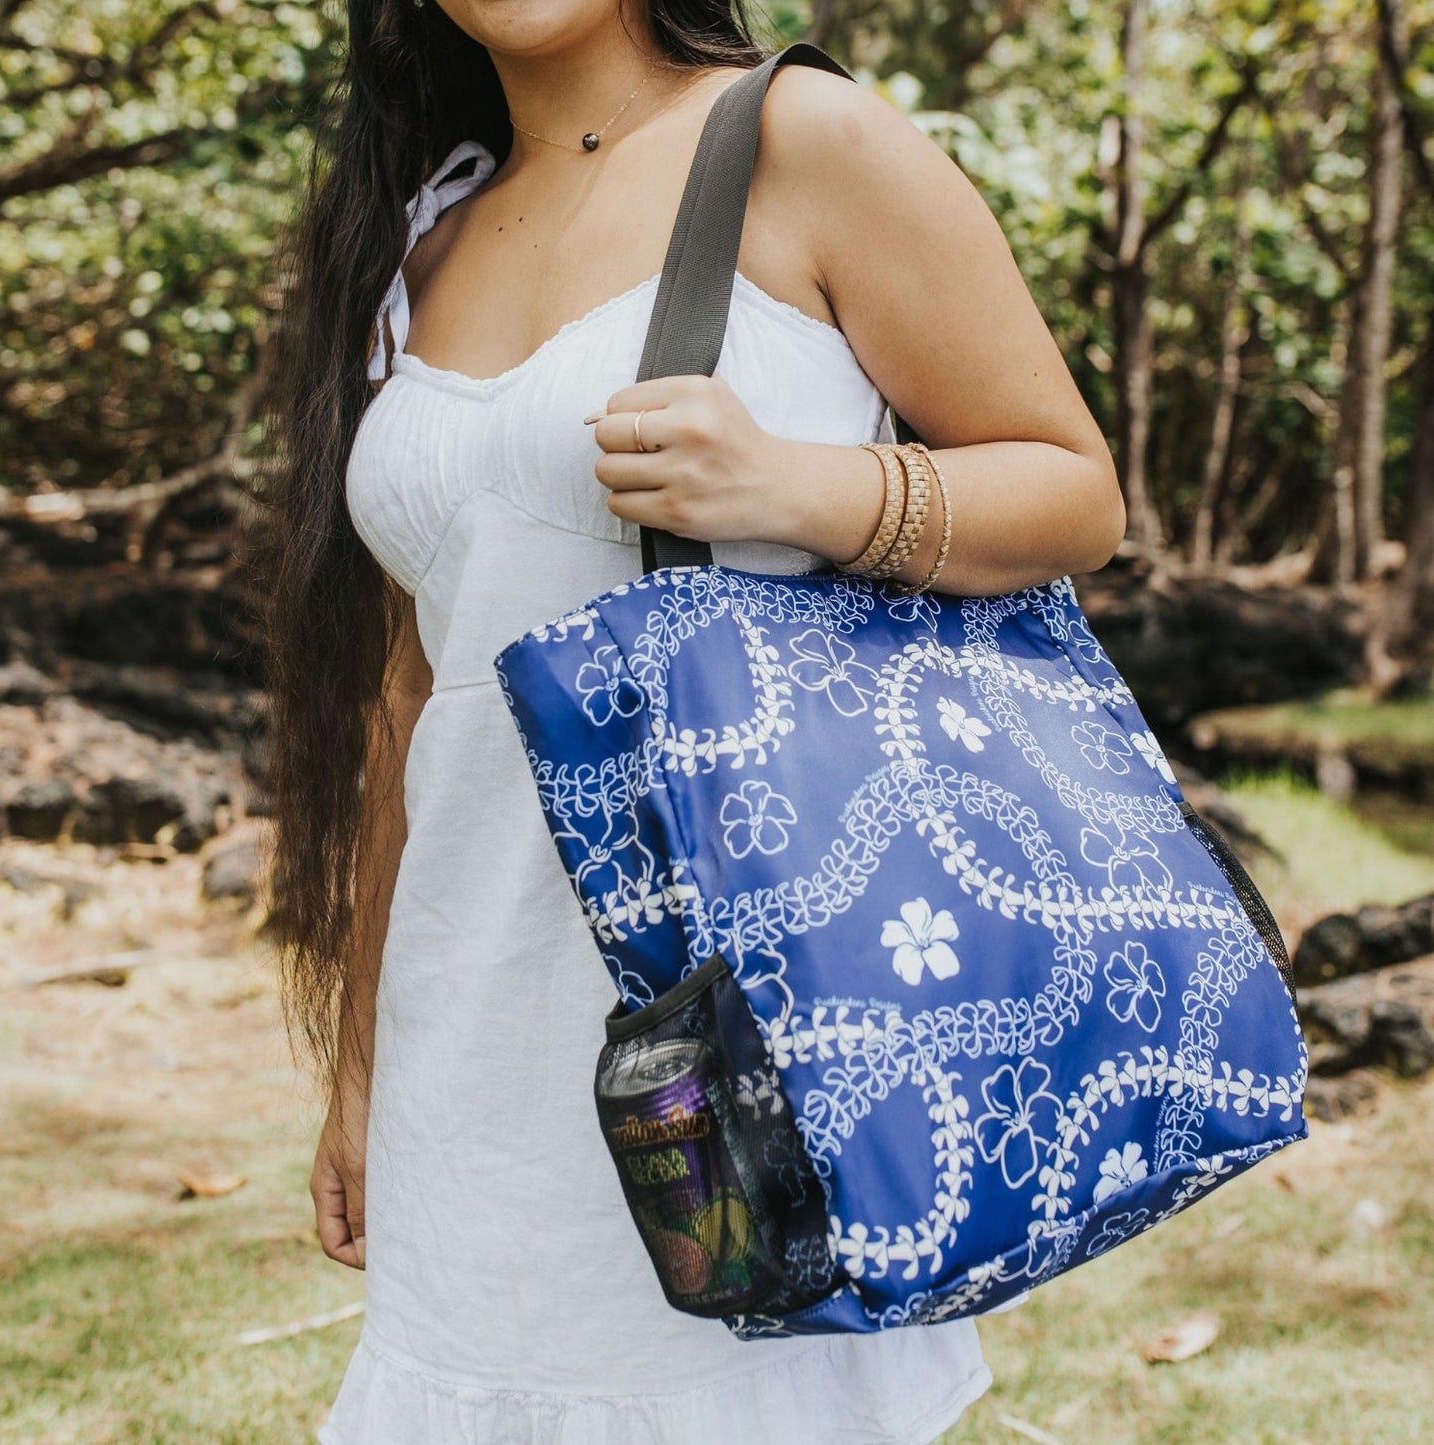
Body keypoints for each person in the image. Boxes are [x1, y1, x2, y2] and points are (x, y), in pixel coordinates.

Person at [260, 0, 1126, 1440]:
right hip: (466, 1022)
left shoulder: (802, 142)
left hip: (739, 1011)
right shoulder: (421, 236)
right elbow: (411, 699)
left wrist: (801, 489)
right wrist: (358, 1059)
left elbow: (1072, 492)